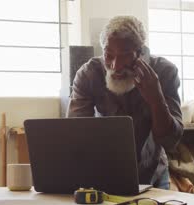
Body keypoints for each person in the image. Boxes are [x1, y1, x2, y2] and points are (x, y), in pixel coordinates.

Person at [67, 16, 183, 189]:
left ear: (140, 53)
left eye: (125, 56)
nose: (116, 66)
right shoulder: (89, 75)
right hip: (104, 173)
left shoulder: (164, 72)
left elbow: (170, 141)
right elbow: (75, 136)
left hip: (153, 174)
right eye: (109, 55)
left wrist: (156, 98)